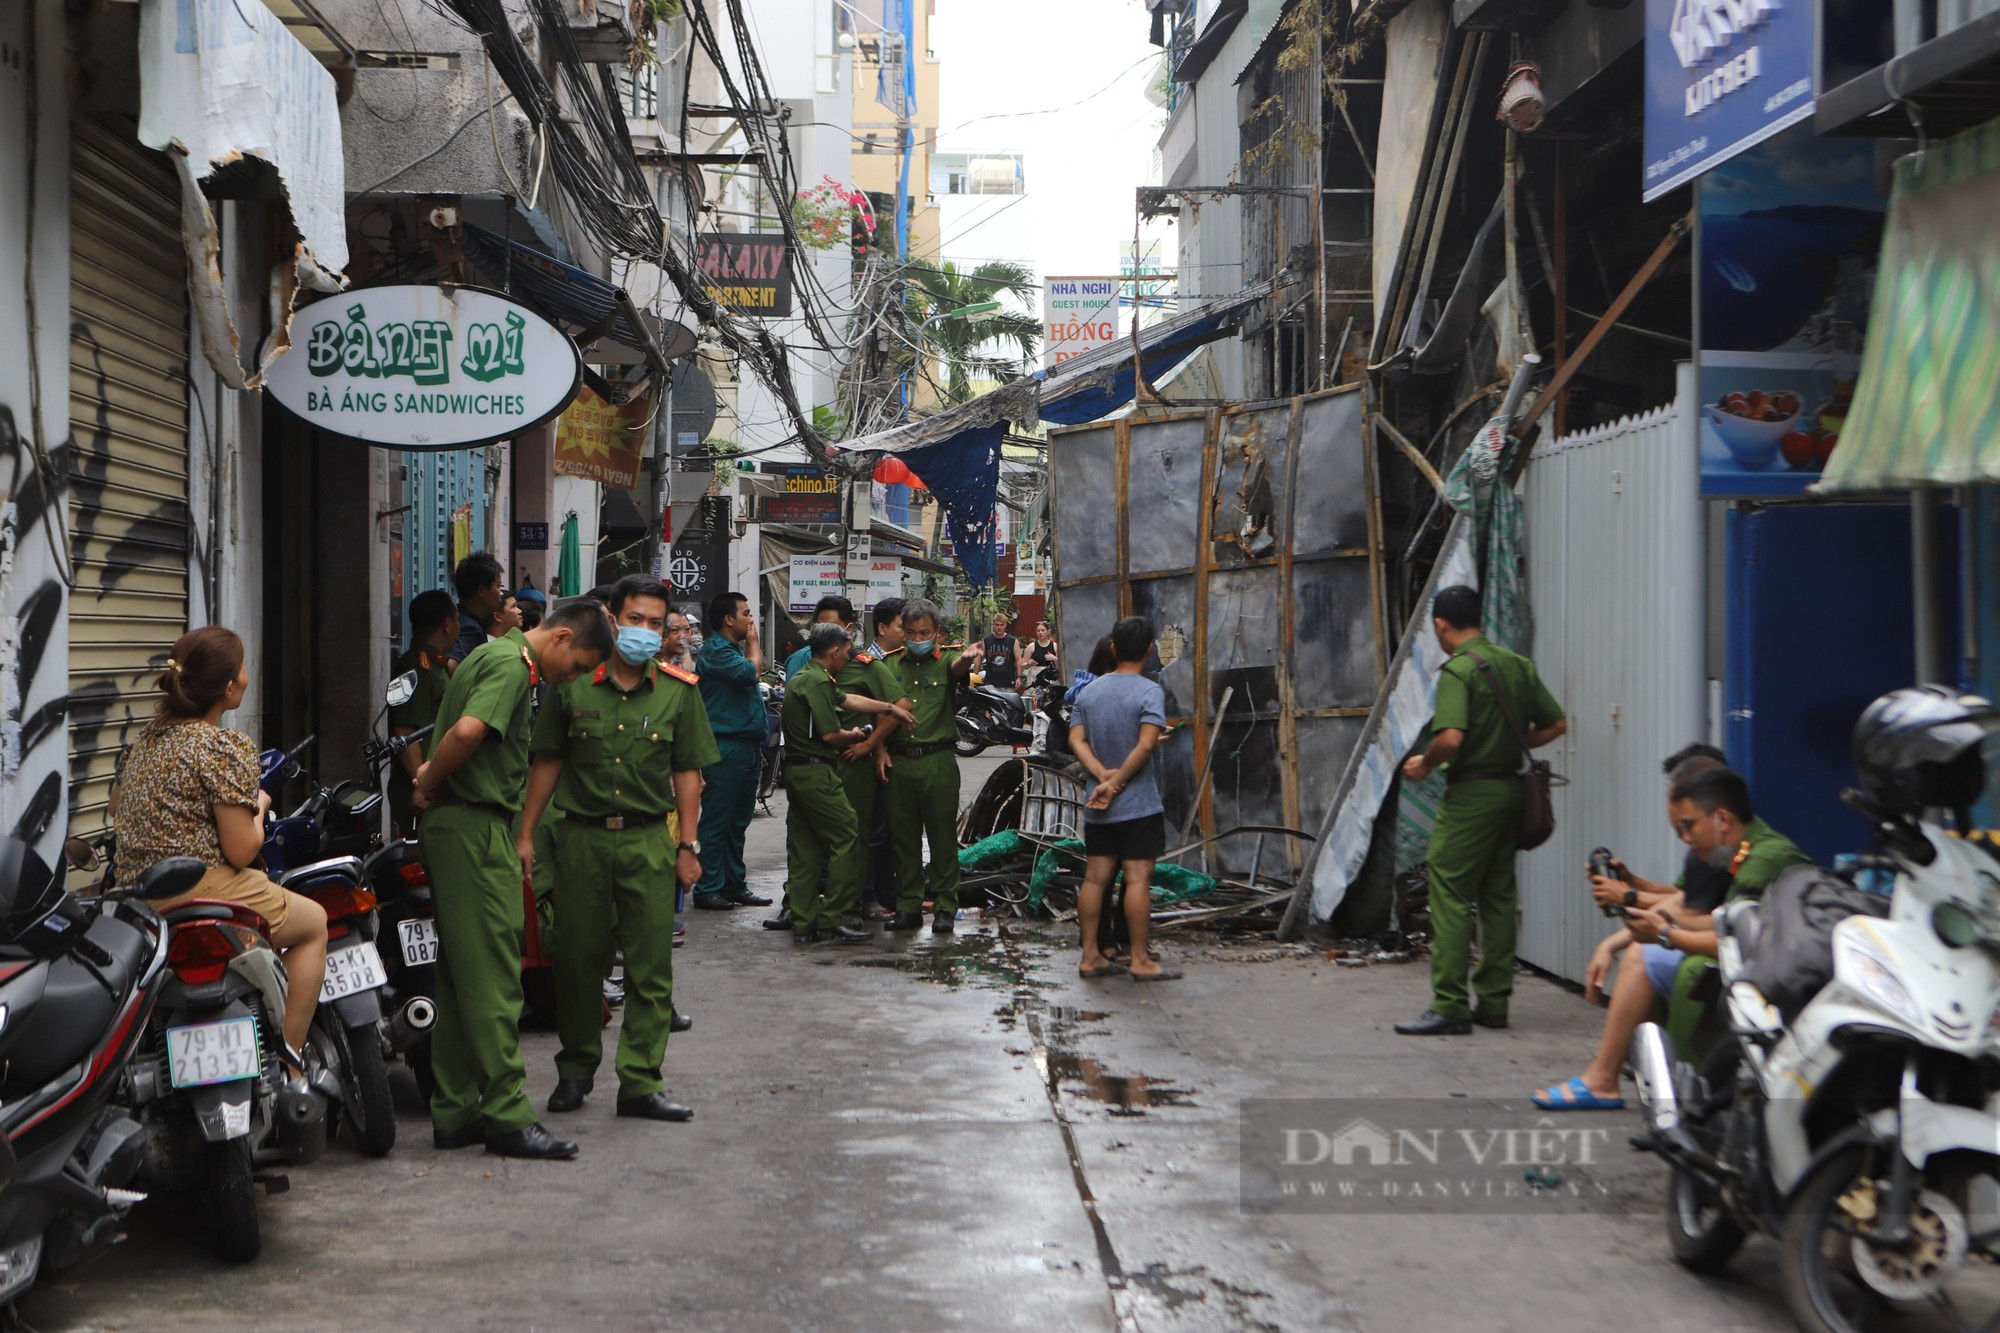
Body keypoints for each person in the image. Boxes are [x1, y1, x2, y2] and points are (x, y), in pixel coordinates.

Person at [414, 599, 612, 1159]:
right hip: (474, 828)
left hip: (463, 825)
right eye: (575, 666)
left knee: (459, 980)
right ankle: (505, 1115)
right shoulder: (509, 666)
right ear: (562, 639)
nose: (568, 678)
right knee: (499, 977)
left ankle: (455, 1112)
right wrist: (428, 775)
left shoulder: (488, 653)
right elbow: (469, 731)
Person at [517, 576, 718, 1123]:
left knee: (650, 968)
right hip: (580, 838)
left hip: (649, 840)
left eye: (656, 623)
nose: (646, 632)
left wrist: (688, 845)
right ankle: (576, 1071)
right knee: (579, 962)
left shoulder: (680, 690)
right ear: (612, 618)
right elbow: (547, 761)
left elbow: (688, 774)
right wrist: (527, 834)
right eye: (636, 620)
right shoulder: (573, 683)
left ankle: (640, 1082)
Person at [1533, 763, 1811, 1109]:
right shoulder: (1734, 849)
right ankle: (1630, 1081)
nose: (1684, 837)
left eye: (1688, 825)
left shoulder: (1763, 858)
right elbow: (1701, 915)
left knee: (1664, 961)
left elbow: (1737, 941)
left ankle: (1641, 1087)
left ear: (1722, 819)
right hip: (1752, 964)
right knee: (1645, 954)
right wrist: (1638, 917)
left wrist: (1662, 932)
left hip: (1772, 980)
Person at [111, 627, 329, 1059]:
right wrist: (261, 806)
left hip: (139, 904)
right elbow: (243, 850)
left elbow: (123, 807)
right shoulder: (222, 746)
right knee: (315, 923)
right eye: (244, 670)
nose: (247, 678)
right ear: (229, 687)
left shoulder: (145, 742)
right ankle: (289, 1056)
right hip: (205, 890)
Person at [1395, 585, 1567, 1036]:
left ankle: (1449, 1004)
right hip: (1510, 792)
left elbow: (1451, 738)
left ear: (1440, 625)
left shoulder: (1459, 672)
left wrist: (1424, 764)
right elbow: (1557, 723)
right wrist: (1513, 743)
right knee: (1498, 895)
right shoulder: (1517, 666)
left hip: (1471, 795)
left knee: (1448, 892)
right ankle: (1493, 1003)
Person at [780, 623, 913, 942]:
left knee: (807, 848)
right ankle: (835, 916)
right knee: (848, 837)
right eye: (846, 651)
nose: (850, 657)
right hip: (816, 772)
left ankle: (803, 921)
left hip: (798, 772)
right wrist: (856, 737)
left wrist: (889, 707)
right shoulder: (815, 682)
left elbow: (849, 700)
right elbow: (829, 734)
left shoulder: (811, 677)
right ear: (835, 652)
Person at [1070, 616, 1179, 982]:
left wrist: (1101, 777)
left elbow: (1076, 741)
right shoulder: (1149, 692)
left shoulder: (1089, 692)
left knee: (1095, 880)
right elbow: (1147, 744)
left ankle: (1090, 957)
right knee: (1136, 880)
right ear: (1150, 651)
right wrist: (1117, 782)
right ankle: (1139, 959)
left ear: (1113, 649)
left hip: (1097, 806)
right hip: (1138, 805)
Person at [883, 598, 976, 934]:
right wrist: (878, 747)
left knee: (942, 838)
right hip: (899, 762)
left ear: (937, 632)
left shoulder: (949, 658)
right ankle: (908, 907)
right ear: (902, 632)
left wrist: (968, 660)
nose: (917, 638)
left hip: (937, 760)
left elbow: (959, 669)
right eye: (910, 632)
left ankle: (945, 907)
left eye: (924, 632)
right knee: (903, 839)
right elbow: (879, 712)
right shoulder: (889, 665)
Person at [692, 591, 773, 911]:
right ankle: (708, 887)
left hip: (746, 747)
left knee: (737, 822)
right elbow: (750, 674)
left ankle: (733, 883)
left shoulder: (731, 650)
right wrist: (754, 643)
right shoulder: (716, 650)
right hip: (724, 747)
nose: (751, 619)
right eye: (746, 613)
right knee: (717, 821)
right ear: (729, 619)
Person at [389, 589, 458, 835]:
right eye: (457, 620)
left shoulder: (435, 664)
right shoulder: (415, 667)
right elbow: (405, 731)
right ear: (447, 625)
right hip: (418, 789)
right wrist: (420, 787)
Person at [446, 552, 506, 670]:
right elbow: (451, 666)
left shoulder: (462, 617)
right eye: (498, 586)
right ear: (482, 591)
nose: (501, 593)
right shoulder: (470, 628)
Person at [1026, 620, 1061, 749]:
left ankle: (1049, 735)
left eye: (1042, 630)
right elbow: (1023, 664)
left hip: (1050, 680)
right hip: (1035, 679)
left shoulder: (1055, 647)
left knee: (1048, 707)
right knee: (1034, 708)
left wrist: (1055, 659)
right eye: (1038, 631)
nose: (1040, 633)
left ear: (1048, 632)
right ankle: (1035, 734)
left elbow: (1060, 666)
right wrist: (1029, 664)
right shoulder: (1031, 647)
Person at [973, 611, 1021, 693]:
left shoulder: (1012, 640)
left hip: (1008, 682)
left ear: (1005, 625)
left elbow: (1019, 659)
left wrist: (1019, 677)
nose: (999, 627)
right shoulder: (986, 640)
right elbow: (978, 659)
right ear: (993, 625)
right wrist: (974, 676)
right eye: (997, 625)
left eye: (1002, 625)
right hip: (991, 682)